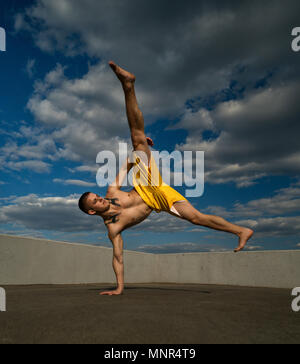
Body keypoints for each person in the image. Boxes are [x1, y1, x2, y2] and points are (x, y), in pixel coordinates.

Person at [78, 61, 254, 296]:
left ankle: (128, 85)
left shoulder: (112, 192)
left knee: (136, 137)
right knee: (197, 218)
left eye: (96, 196)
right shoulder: (113, 228)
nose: (100, 199)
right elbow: (118, 258)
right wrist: (119, 288)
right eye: (95, 202)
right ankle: (241, 231)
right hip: (159, 201)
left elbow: (127, 164)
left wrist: (140, 150)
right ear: (92, 211)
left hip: (145, 183)